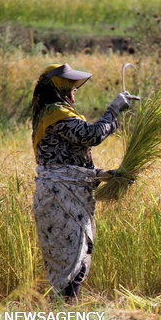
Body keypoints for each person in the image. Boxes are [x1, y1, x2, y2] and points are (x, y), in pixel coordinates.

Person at [31, 63, 138, 299]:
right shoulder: (55, 114)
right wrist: (114, 109)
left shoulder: (51, 114)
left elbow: (70, 164)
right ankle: (64, 316)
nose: (74, 90)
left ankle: (65, 312)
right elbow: (92, 135)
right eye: (71, 86)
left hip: (69, 193)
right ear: (59, 88)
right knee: (68, 260)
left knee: (77, 256)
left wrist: (107, 174)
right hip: (60, 197)